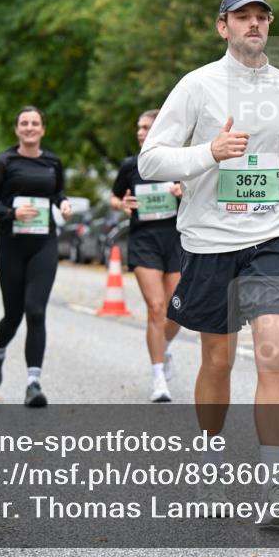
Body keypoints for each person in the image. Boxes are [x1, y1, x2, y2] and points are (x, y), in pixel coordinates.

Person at [138, 0, 279, 525]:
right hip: (211, 241)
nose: (253, 25)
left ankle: (275, 488)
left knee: (272, 352)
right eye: (243, 18)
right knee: (218, 359)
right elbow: (150, 162)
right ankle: (210, 450)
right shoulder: (196, 86)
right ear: (223, 27)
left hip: (272, 236)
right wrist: (208, 152)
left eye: (262, 17)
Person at [0, 106, 71, 408]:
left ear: (43, 129)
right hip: (11, 245)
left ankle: (33, 383)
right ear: (17, 129)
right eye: (24, 123)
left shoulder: (53, 161)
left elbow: (58, 193)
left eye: (35, 123)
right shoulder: (5, 162)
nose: (30, 127)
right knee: (13, 316)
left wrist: (64, 204)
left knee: (35, 310)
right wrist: (11, 212)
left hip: (43, 243)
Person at [111, 109, 183, 403]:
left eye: (146, 127)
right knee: (156, 307)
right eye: (138, 127)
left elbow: (200, 193)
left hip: (176, 240)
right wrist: (122, 204)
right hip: (143, 241)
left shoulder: (178, 163)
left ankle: (162, 348)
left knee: (177, 310)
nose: (140, 132)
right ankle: (158, 379)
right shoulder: (131, 166)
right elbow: (114, 196)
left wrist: (184, 192)